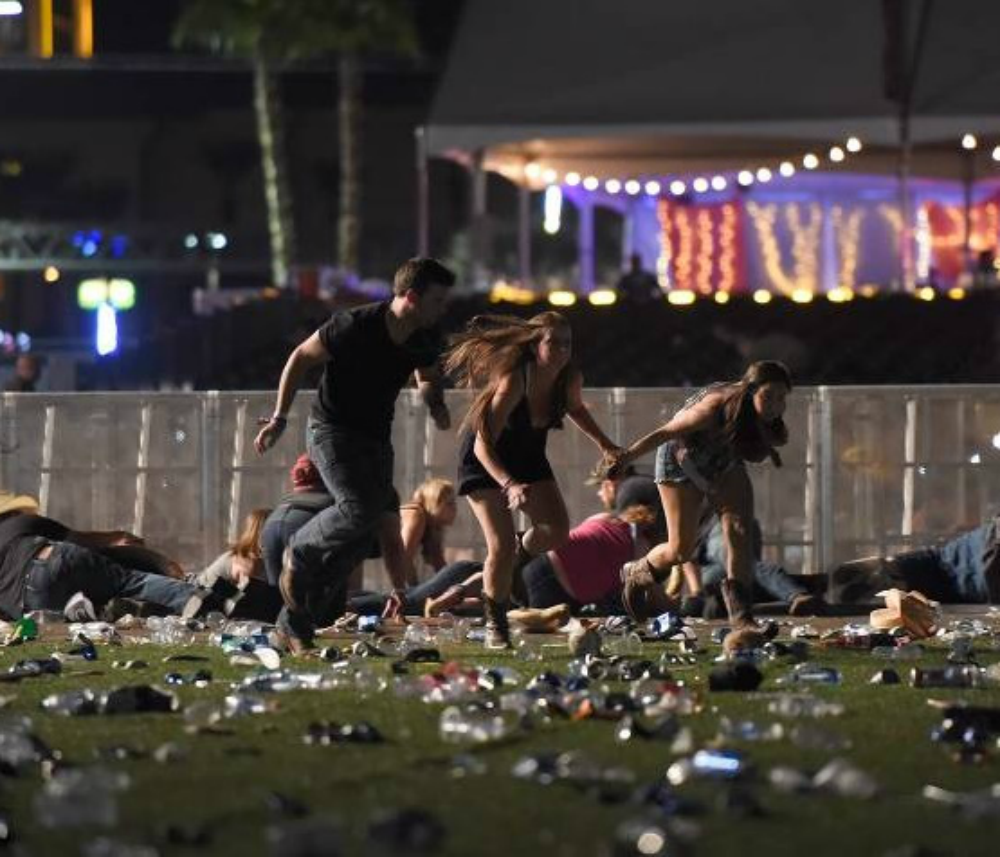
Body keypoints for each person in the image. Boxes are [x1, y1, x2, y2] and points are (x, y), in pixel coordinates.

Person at [254, 257, 455, 653]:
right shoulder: (355, 325)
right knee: (359, 508)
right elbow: (300, 358)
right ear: (411, 297)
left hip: (376, 439)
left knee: (369, 528)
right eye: (436, 300)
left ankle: (292, 624)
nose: (442, 308)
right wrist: (279, 417)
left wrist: (435, 403)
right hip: (331, 431)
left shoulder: (425, 335)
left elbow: (427, 376)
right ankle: (301, 548)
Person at [445, 311, 620, 647]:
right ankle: (496, 621)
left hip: (527, 457)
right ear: (535, 345)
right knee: (500, 545)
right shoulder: (515, 379)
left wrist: (605, 444)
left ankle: (515, 559)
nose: (562, 350)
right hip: (487, 460)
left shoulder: (568, 378)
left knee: (556, 532)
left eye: (567, 343)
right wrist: (509, 485)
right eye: (553, 343)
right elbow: (483, 446)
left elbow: (576, 409)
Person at [607, 360, 792, 632]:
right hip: (680, 461)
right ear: (751, 391)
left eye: (782, 398)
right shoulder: (713, 407)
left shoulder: (761, 417)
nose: (775, 405)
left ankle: (741, 615)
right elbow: (666, 432)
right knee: (681, 549)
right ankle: (637, 571)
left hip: (722, 462)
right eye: (768, 396)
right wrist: (626, 458)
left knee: (740, 527)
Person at [0, 491, 206, 621]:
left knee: (86, 612)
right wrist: (118, 537)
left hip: (31, 602)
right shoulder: (20, 522)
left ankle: (110, 611)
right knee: (132, 582)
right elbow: (77, 538)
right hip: (49, 559)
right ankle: (198, 599)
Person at [520, 502, 665, 614]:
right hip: (555, 585)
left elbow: (581, 534)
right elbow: (653, 597)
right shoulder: (645, 551)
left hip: (543, 566)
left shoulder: (606, 518)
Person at [830, 514, 1000, 605]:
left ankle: (883, 569)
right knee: (935, 575)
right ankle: (886, 576)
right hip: (973, 574)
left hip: (965, 558)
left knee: (935, 563)